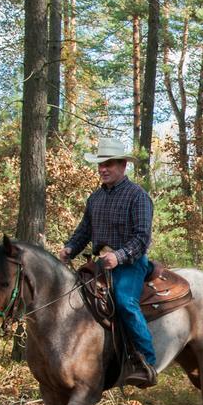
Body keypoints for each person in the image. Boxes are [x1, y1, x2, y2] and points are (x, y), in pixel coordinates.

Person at [59, 138, 158, 388]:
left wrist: (119, 256)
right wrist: (69, 249)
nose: (103, 169)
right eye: (101, 164)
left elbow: (142, 237)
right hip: (99, 264)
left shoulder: (138, 196)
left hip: (130, 263)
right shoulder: (95, 199)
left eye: (109, 164)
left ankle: (146, 362)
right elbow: (84, 231)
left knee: (125, 302)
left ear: (123, 165)